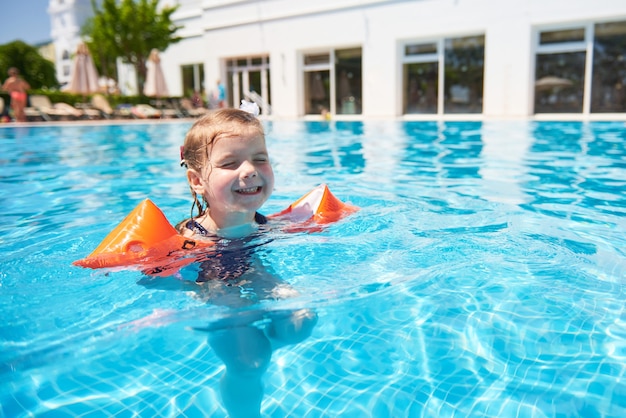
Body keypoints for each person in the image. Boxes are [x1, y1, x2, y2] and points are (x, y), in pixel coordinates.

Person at [179, 105, 317, 418]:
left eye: (260, 159)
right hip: (217, 292)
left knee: (303, 320)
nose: (249, 170)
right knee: (248, 364)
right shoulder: (194, 236)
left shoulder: (265, 224)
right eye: (230, 163)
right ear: (197, 181)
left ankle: (266, 341)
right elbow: (163, 272)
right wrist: (193, 290)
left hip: (256, 277)